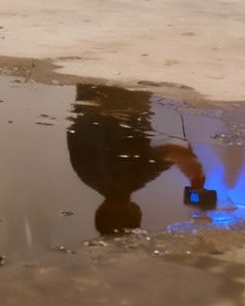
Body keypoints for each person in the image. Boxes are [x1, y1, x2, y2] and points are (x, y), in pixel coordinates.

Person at [64, 83, 207, 235]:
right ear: (100, 211)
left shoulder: (135, 177)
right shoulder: (83, 173)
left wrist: (196, 181)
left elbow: (177, 154)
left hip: (127, 101)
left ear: (136, 216)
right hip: (89, 96)